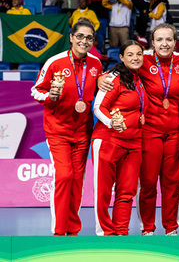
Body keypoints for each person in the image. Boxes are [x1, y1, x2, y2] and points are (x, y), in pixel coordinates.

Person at [31, 18, 102, 236]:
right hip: (58, 131)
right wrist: (50, 96)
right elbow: (35, 90)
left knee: (77, 180)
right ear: (71, 37)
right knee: (64, 176)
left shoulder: (96, 64)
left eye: (89, 37)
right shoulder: (55, 62)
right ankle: (59, 231)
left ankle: (73, 230)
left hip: (82, 132)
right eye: (80, 36)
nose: (84, 41)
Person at [92, 40, 146, 236]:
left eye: (138, 54)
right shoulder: (112, 77)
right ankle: (105, 233)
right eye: (130, 54)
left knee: (127, 191)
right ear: (121, 57)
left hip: (134, 143)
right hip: (108, 140)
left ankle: (121, 233)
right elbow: (99, 107)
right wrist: (111, 123)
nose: (135, 58)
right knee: (103, 192)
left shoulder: (139, 77)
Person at [137, 24, 179, 236]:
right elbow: (121, 70)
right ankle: (147, 228)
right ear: (152, 42)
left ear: (175, 42)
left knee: (171, 184)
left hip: (175, 132)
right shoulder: (144, 60)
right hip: (150, 132)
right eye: (160, 40)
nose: (164, 44)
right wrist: (103, 78)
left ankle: (171, 228)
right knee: (148, 184)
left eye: (169, 40)